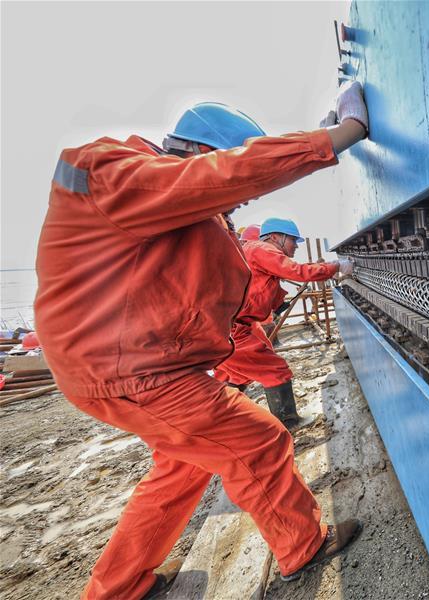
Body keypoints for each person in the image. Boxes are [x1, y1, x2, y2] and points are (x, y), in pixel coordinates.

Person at [34, 81, 368, 599]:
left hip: (132, 365)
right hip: (133, 372)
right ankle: (303, 546)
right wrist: (337, 137)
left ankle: (119, 587)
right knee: (257, 440)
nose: (242, 203)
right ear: (202, 154)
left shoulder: (157, 201)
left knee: (183, 468)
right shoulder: (116, 174)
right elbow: (221, 179)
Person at [214, 217, 351, 427]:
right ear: (276, 237)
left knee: (236, 373)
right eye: (293, 240)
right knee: (275, 370)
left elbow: (279, 284)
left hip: (234, 325)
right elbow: (297, 271)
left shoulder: (254, 251)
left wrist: (322, 269)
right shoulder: (262, 250)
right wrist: (335, 267)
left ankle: (222, 418)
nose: (295, 246)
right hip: (234, 329)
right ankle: (288, 422)